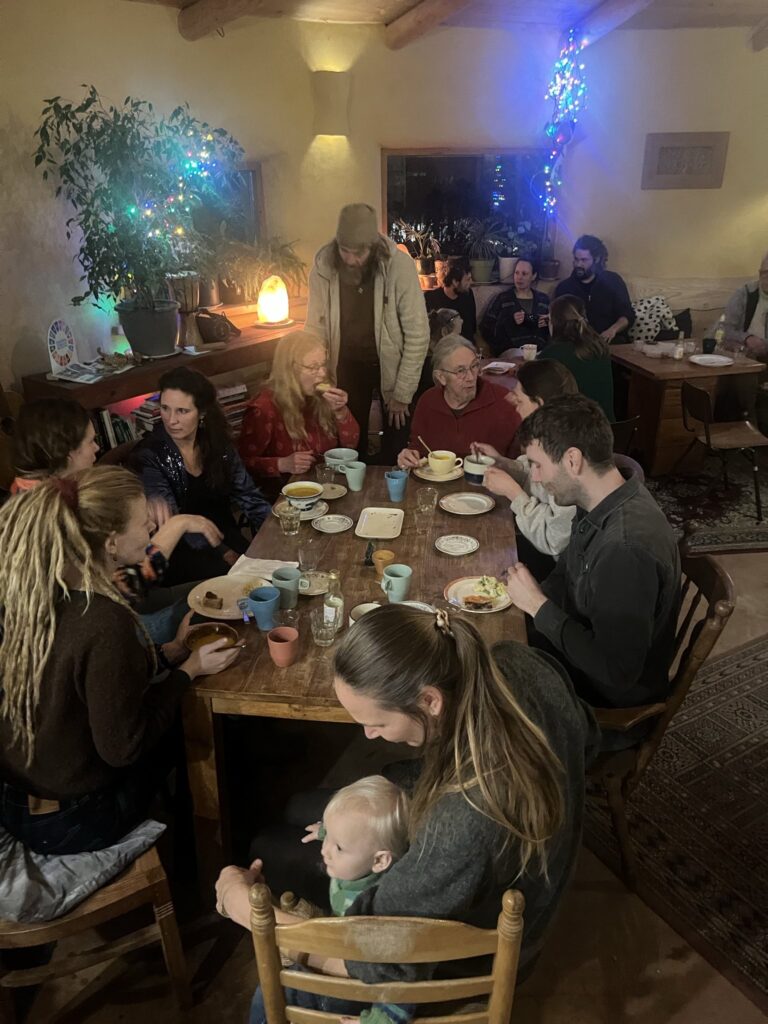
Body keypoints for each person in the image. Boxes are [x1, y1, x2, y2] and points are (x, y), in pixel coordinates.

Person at [215, 605, 600, 1001]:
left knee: (270, 850)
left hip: (474, 957)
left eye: (377, 723)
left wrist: (245, 909)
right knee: (300, 808)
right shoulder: (514, 660)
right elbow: (590, 737)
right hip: (528, 886)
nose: (368, 735)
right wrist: (401, 785)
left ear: (430, 700)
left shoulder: (463, 820)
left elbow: (372, 956)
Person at [0, 467, 240, 856]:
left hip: (20, 800)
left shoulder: (37, 592)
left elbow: (87, 685)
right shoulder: (104, 619)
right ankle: (202, 853)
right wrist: (187, 672)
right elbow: (124, 748)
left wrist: (170, 653)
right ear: (111, 542)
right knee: (196, 729)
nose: (152, 528)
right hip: (74, 820)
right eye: (143, 522)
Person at [504, 395, 680, 727]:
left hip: (604, 701)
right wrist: (522, 600)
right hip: (579, 645)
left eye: (538, 465)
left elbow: (617, 672)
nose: (536, 478)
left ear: (572, 460)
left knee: (483, 683)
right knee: (488, 638)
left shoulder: (624, 549)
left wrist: (539, 607)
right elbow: (565, 573)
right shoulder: (602, 498)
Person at [9, 396, 225, 642]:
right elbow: (132, 586)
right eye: (90, 441)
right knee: (215, 604)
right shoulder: (56, 517)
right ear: (68, 453)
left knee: (217, 587)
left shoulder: (28, 493)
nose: (96, 448)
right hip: (110, 630)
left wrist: (132, 511)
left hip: (114, 611)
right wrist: (177, 525)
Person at [247, 776, 412, 1024]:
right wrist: (329, 832)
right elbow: (354, 834)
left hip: (352, 991)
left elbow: (405, 975)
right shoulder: (367, 860)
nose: (325, 850)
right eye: (328, 839)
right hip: (342, 947)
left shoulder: (379, 911)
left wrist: (378, 1021)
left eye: (339, 847)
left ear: (380, 860)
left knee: (271, 993)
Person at [306, 203, 429, 463]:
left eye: (359, 253)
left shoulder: (399, 266)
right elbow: (315, 329)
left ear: (373, 247)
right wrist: (318, 377)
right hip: (346, 366)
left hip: (393, 366)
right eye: (345, 251)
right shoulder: (323, 266)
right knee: (349, 447)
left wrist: (402, 394)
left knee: (397, 446)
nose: (351, 260)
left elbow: (418, 334)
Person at [130, 367, 270, 585]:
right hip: (181, 551)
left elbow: (249, 496)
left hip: (226, 536)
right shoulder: (149, 455)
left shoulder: (218, 443)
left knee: (273, 575)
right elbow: (171, 522)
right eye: (165, 408)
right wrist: (224, 553)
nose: (171, 420)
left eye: (182, 411)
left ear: (202, 412)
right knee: (247, 586)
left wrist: (275, 533)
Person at [471, 360, 579, 579]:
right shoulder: (549, 436)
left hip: (558, 570)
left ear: (538, 404)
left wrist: (514, 493)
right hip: (539, 545)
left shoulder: (565, 456)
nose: (510, 400)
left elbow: (554, 541)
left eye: (519, 399)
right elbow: (533, 476)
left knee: (481, 555)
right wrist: (501, 462)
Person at [238, 331, 360, 500]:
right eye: (313, 367)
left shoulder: (321, 397)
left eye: (323, 364)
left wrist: (341, 412)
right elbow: (241, 463)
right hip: (286, 495)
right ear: (290, 369)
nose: (322, 373)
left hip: (328, 485)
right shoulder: (264, 408)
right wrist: (281, 464)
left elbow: (351, 445)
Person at [397, 336, 520, 466]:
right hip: (436, 478)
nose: (471, 377)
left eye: (474, 366)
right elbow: (417, 448)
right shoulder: (428, 402)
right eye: (460, 371)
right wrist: (408, 457)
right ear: (441, 377)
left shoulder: (504, 401)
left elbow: (522, 463)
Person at [540, 294, 615, 420]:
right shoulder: (599, 347)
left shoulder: (552, 354)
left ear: (555, 322)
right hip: (608, 426)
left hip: (575, 428)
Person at [554, 235, 634, 342]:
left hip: (611, 341)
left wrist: (613, 330)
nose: (579, 264)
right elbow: (558, 322)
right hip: (578, 343)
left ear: (596, 260)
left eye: (584, 260)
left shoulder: (613, 281)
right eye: (576, 259)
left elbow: (627, 315)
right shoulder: (564, 287)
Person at [11, 397, 99, 493]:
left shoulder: (26, 487)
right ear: (66, 451)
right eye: (91, 441)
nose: (97, 447)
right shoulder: (55, 499)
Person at [480, 258, 550, 355]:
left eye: (524, 274)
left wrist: (549, 322)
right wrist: (510, 321)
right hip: (511, 350)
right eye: (517, 273)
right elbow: (487, 328)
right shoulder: (503, 299)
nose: (519, 277)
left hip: (539, 350)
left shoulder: (543, 300)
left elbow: (556, 328)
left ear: (533, 276)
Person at [720, 251, 768, 359]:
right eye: (765, 272)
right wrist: (747, 338)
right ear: (760, 273)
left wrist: (763, 345)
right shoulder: (744, 293)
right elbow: (724, 329)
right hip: (745, 354)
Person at [423, 260, 477, 342]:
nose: (471, 282)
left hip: (466, 346)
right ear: (455, 282)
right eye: (467, 279)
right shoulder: (430, 298)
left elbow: (473, 329)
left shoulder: (468, 295)